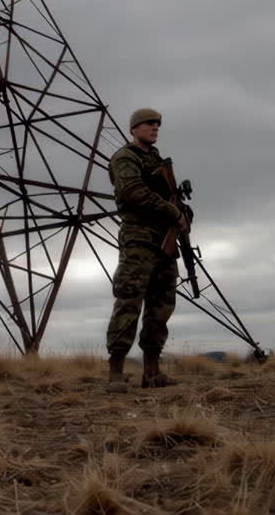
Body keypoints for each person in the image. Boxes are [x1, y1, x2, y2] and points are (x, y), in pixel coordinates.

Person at [105, 108, 190, 390]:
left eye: (157, 125)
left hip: (163, 241)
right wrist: (171, 211)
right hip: (139, 238)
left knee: (161, 304)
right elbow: (132, 192)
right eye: (149, 124)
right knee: (129, 299)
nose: (155, 128)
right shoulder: (125, 157)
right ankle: (115, 373)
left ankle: (152, 373)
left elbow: (168, 197)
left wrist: (182, 214)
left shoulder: (155, 160)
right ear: (135, 128)